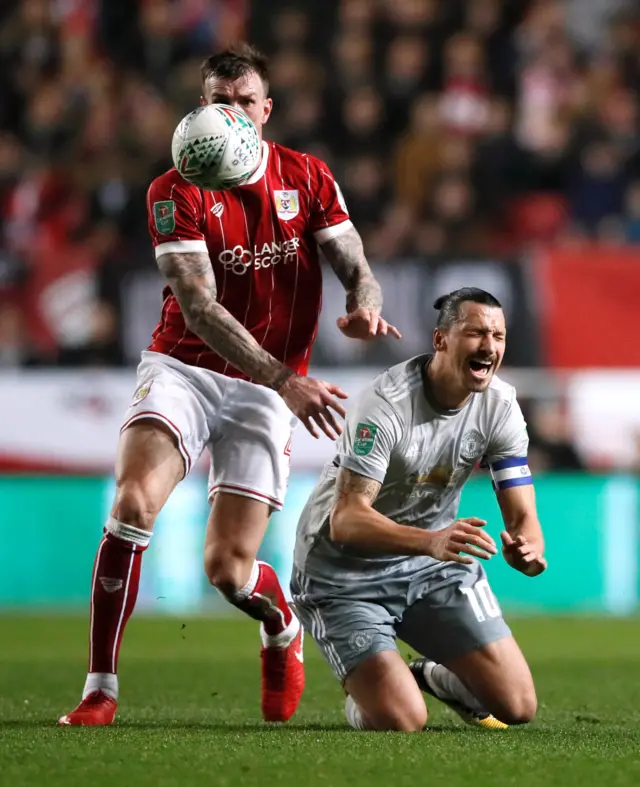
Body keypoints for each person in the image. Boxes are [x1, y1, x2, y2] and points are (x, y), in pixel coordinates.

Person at [59, 43, 399, 727]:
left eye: (246, 102)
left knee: (227, 569)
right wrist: (287, 380)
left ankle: (280, 626)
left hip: (265, 391)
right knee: (130, 503)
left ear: (265, 110)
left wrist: (364, 298)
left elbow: (354, 260)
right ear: (202, 107)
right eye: (221, 101)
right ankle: (101, 688)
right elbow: (198, 305)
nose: (234, 113)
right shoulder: (174, 189)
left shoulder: (306, 176)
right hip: (185, 367)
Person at [291, 288, 547, 732]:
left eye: (498, 336)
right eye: (476, 333)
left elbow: (523, 516)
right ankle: (371, 696)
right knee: (401, 719)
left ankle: (432, 676)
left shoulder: (501, 407)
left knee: (518, 706)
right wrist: (432, 540)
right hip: (342, 576)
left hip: (431, 567)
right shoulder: (385, 406)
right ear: (441, 340)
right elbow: (347, 518)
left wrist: (530, 547)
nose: (490, 346)